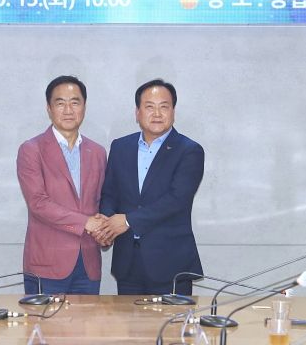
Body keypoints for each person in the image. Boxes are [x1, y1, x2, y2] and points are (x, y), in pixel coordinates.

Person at [95, 79, 205, 295]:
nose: (157, 113)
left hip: (171, 264)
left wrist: (127, 221)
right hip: (128, 263)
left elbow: (177, 200)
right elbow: (110, 193)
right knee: (127, 318)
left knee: (173, 319)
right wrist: (107, 226)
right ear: (137, 113)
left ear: (173, 112)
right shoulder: (120, 147)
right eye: (149, 107)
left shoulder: (189, 151)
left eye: (164, 107)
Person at [17, 75, 107, 295]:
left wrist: (107, 230)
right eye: (60, 103)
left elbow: (101, 201)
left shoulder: (97, 152)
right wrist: (86, 222)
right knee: (44, 320)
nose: (68, 110)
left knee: (88, 319)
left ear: (84, 107)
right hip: (47, 265)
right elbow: (38, 203)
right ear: (49, 108)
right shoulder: (32, 149)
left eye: (75, 102)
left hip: (88, 264)